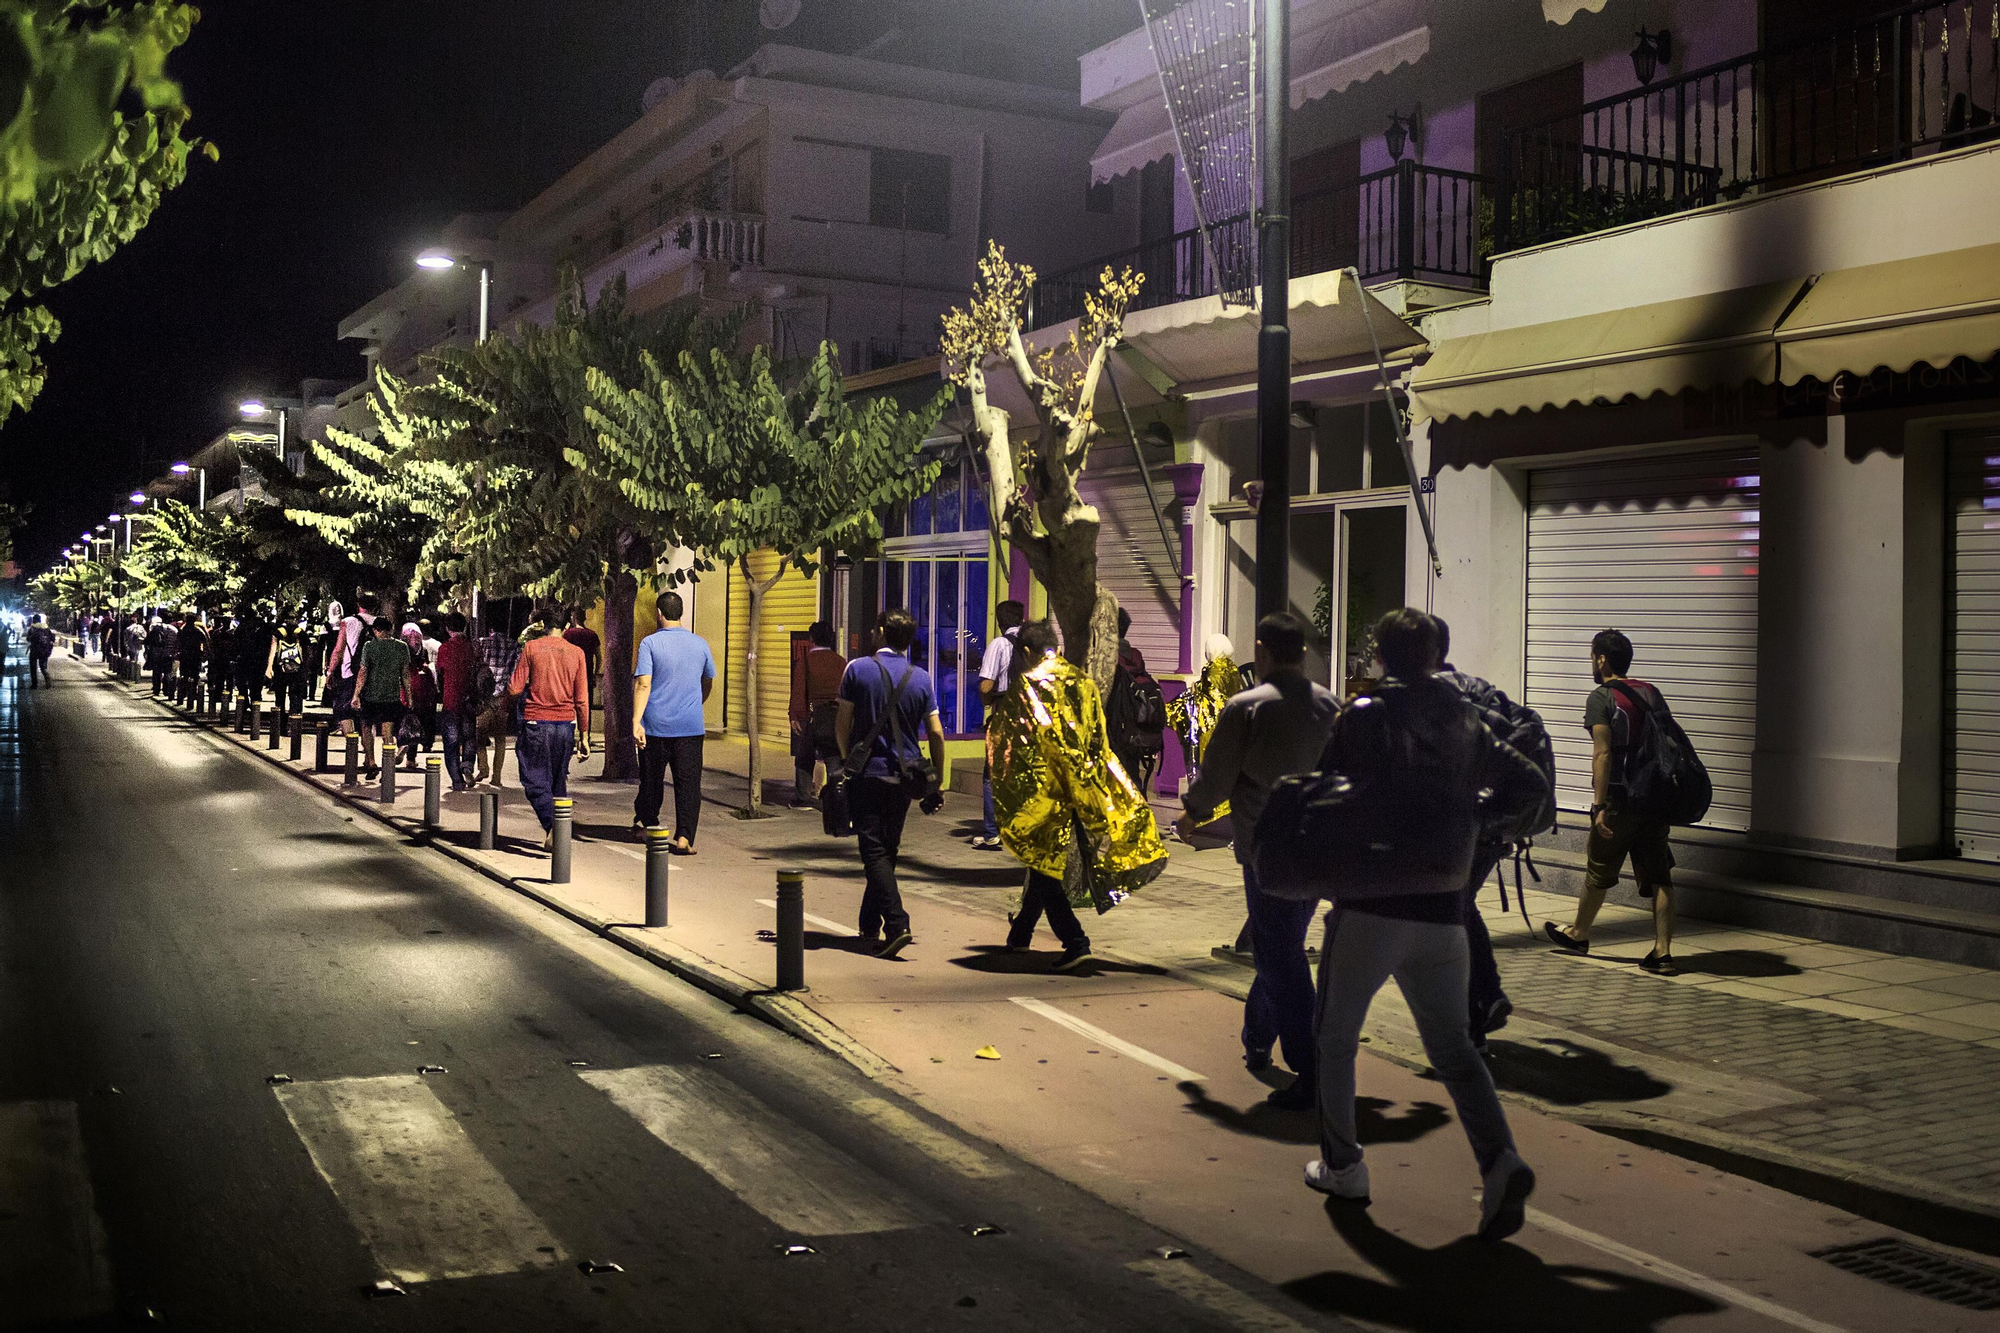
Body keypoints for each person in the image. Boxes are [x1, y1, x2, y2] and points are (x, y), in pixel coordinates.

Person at [1304, 609, 1545, 1244]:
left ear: (1381, 652)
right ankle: (1499, 1160)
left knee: (1335, 1035)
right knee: (1454, 1048)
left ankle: (1343, 1165)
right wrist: (1473, 820)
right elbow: (1529, 787)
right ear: (1438, 652)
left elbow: (1327, 793)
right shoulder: (1466, 717)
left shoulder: (1361, 715)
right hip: (1443, 907)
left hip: (1373, 904)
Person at [1175, 611, 1338, 1109]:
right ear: (1304, 653)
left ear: (1262, 650)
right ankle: (1257, 1039)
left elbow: (1218, 777)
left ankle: (1311, 1067)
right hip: (1317, 846)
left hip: (1267, 849)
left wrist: (1190, 815)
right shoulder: (1330, 705)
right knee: (1281, 944)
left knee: (1281, 956)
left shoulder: (1246, 706)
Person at [1434, 618, 1553, 1052]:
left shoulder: (1435, 697)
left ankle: (1480, 1004)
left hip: (1463, 826)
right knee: (1459, 908)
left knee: (1450, 913)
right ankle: (1478, 1013)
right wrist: (1498, 817)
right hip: (1487, 825)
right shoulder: (1479, 688)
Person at [1543, 629, 1679, 974]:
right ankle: (1662, 952)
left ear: (1601, 659)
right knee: (1660, 875)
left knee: (1599, 870)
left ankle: (1579, 933)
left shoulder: (1601, 697)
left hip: (1620, 798)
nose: (1591, 662)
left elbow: (1602, 753)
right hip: (1654, 798)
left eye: (1592, 656)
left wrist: (1598, 806)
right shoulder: (1650, 692)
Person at [835, 607, 947, 959]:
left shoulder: (857, 669)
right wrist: (937, 780)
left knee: (873, 851)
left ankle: (897, 924)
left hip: (868, 774)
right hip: (906, 777)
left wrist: (848, 757)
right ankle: (870, 923)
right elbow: (937, 734)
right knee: (888, 848)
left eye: (874, 628)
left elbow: (842, 723)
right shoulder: (922, 677)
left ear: (882, 631)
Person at [632, 591, 715, 851]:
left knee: (651, 779)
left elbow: (643, 684)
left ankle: (648, 824)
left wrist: (636, 721)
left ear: (659, 613)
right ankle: (684, 838)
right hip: (690, 727)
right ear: (681, 613)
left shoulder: (649, 644)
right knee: (689, 784)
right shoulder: (700, 644)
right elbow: (708, 680)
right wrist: (694, 704)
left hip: (655, 727)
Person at [509, 609, 591, 852]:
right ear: (566, 626)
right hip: (566, 725)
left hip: (536, 721)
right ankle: (556, 833)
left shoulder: (532, 648)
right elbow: (582, 698)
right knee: (557, 783)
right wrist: (584, 735)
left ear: (544, 625)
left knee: (534, 781)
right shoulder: (577, 653)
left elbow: (514, 688)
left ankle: (554, 826)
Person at [970, 599, 1024, 850]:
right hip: (1034, 720)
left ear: (999, 622)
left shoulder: (999, 645)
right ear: (1021, 619)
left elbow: (986, 685)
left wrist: (986, 701)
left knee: (992, 776)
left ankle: (993, 832)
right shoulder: (1032, 646)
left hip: (1005, 717)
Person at [1106, 607, 1167, 797]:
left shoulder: (1108, 658)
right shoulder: (1135, 656)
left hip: (1116, 730)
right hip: (1136, 729)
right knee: (1132, 774)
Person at [789, 620, 845, 809]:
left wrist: (795, 716)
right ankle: (836, 798)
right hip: (836, 717)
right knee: (833, 758)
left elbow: (799, 690)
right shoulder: (840, 661)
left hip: (813, 717)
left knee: (804, 757)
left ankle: (803, 798)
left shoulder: (806, 661)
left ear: (812, 638)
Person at [351, 617, 412, 781]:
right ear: (390, 629)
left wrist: (356, 694)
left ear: (375, 630)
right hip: (391, 695)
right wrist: (409, 696)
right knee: (387, 732)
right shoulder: (401, 647)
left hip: (370, 695)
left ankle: (371, 762)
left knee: (366, 727)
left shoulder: (369, 646)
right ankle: (389, 763)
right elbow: (405, 675)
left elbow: (363, 672)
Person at [434, 612, 479, 791]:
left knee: (451, 742)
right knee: (469, 737)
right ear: (465, 627)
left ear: (447, 628)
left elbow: (440, 673)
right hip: (470, 699)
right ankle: (467, 766)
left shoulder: (444, 648)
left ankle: (457, 780)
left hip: (451, 700)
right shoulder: (472, 647)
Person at [325, 594, 378, 740]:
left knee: (343, 710)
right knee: (367, 714)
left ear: (358, 605)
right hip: (373, 674)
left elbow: (338, 649)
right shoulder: (380, 623)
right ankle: (368, 752)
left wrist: (330, 672)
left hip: (350, 672)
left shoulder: (348, 622)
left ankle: (351, 745)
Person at [563, 607, 601, 710]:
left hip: (571, 676)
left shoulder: (568, 634)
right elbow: (599, 657)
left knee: (570, 706)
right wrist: (595, 673)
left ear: (573, 618)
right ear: (584, 618)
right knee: (586, 706)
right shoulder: (593, 635)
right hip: (587, 675)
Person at [269, 616, 306, 716]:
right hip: (297, 669)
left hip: (280, 668)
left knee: (280, 696)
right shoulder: (300, 633)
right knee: (295, 696)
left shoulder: (278, 632)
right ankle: (295, 719)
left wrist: (269, 667)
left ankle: (280, 720)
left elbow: (273, 649)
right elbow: (307, 643)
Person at [176, 613, 207, 707]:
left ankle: (184, 692)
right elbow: (205, 640)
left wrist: (178, 652)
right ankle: (193, 692)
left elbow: (178, 642)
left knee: (184, 674)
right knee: (194, 674)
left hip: (185, 655)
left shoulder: (183, 630)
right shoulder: (197, 630)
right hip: (195, 655)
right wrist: (205, 652)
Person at [144, 614, 177, 696]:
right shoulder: (174, 630)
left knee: (156, 672)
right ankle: (166, 690)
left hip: (157, 654)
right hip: (169, 655)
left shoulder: (156, 628)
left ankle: (156, 689)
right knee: (167, 672)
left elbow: (148, 640)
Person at [25, 614, 54, 688]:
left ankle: (34, 684)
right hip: (44, 649)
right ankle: (47, 677)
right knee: (43, 666)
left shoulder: (32, 628)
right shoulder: (46, 628)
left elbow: (28, 638)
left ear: (34, 620)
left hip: (34, 650)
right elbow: (52, 638)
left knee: (33, 667)